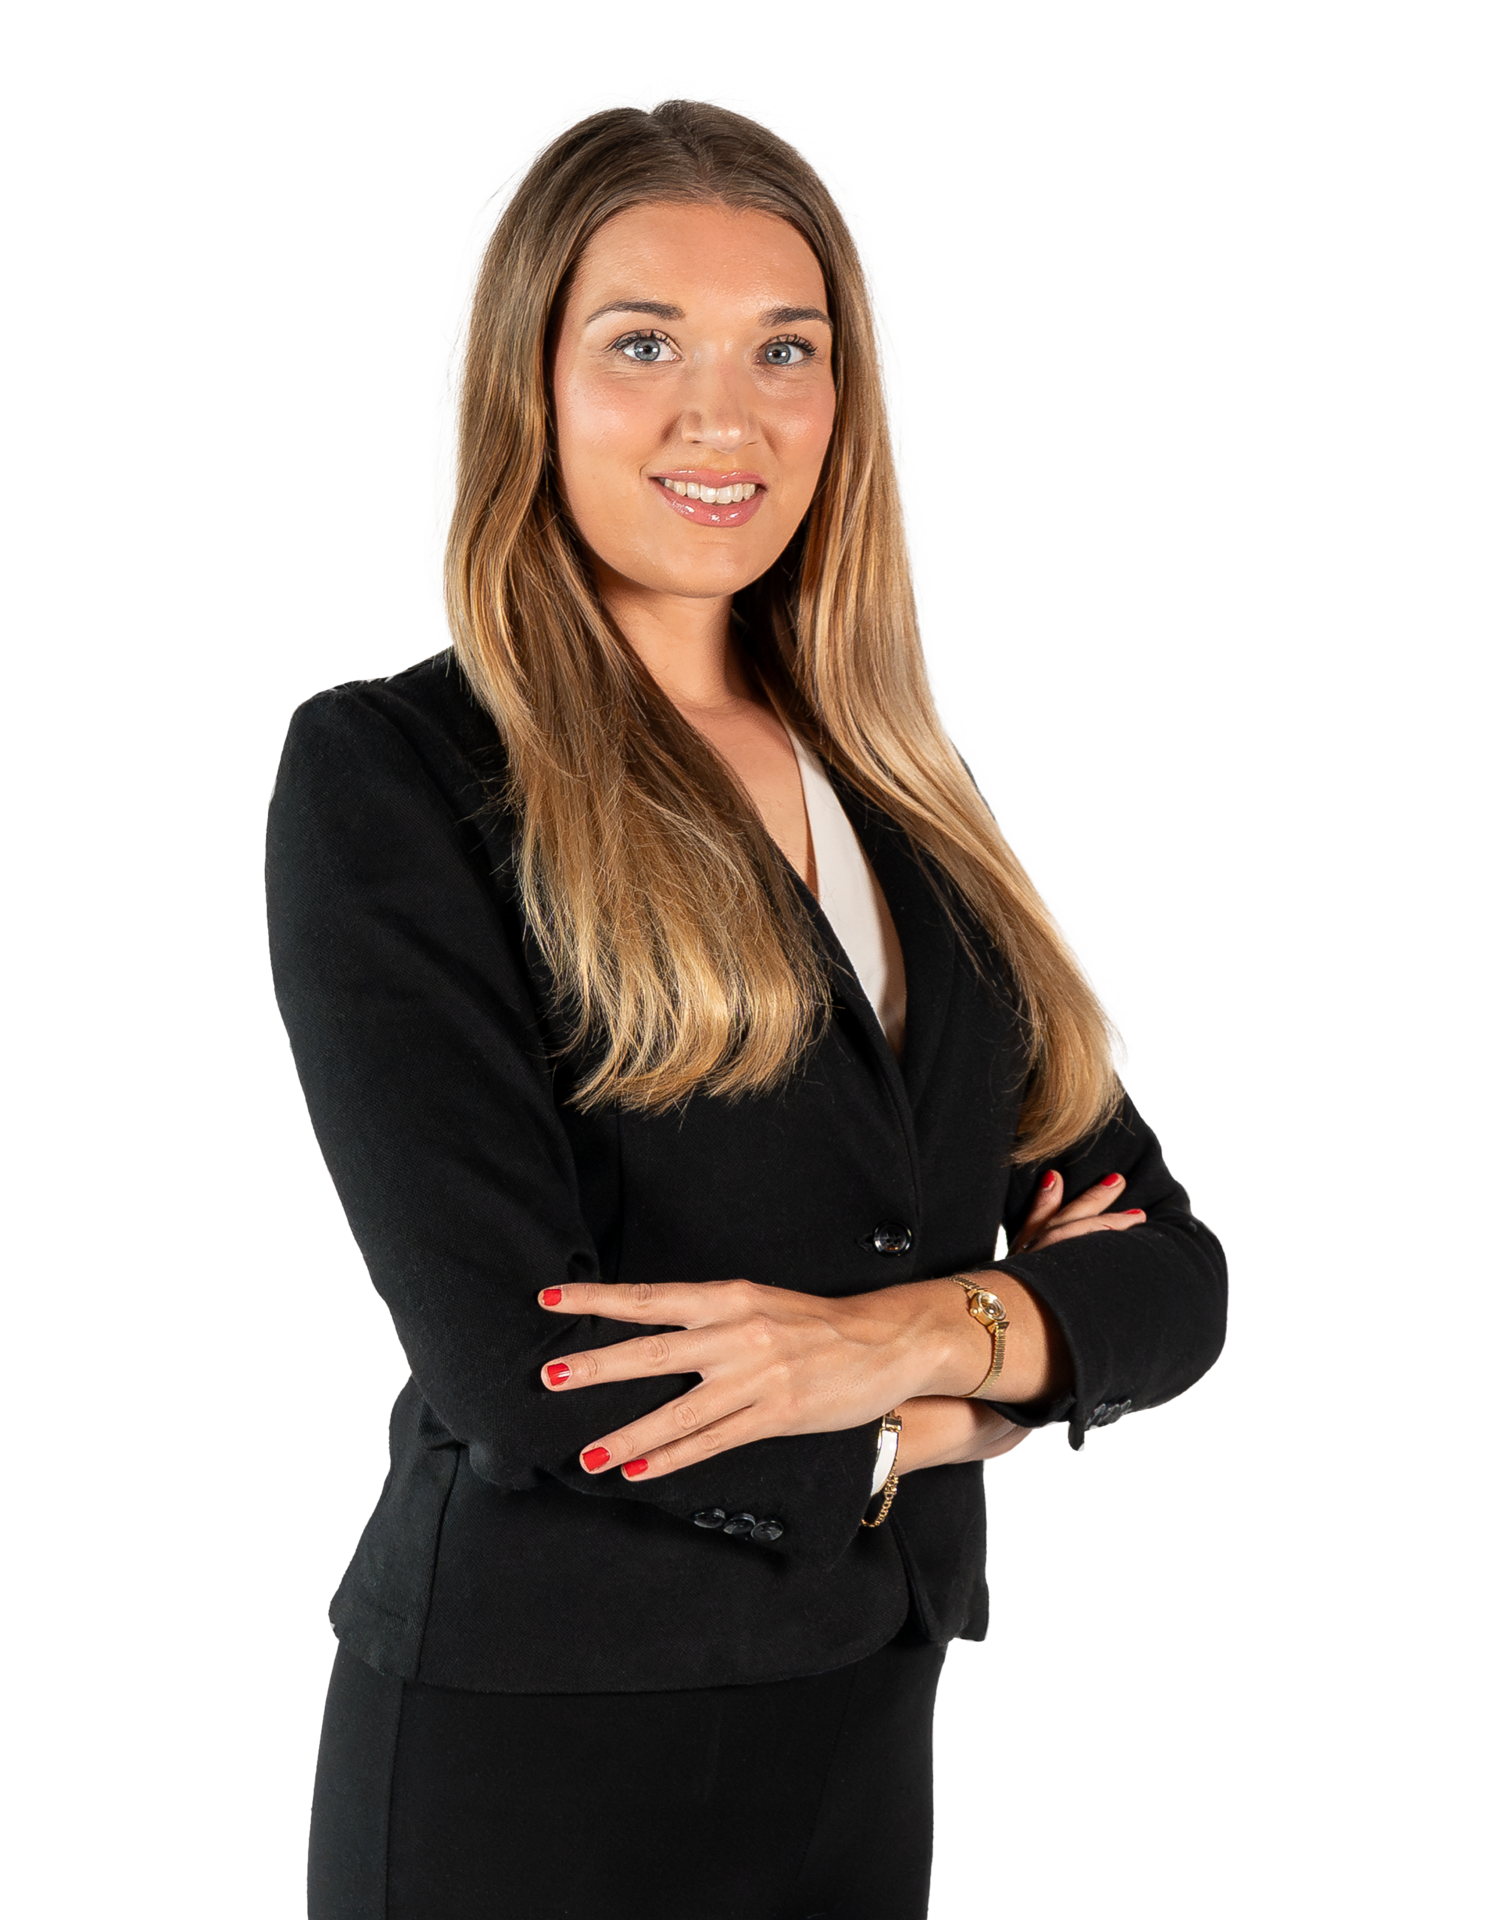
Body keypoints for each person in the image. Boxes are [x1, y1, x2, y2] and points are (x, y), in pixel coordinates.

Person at [268, 97, 1228, 1920]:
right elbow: (526, 1372)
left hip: (858, 1726)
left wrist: (897, 1341)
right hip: (533, 1750)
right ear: (530, 388)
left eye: (786, 350)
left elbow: (1168, 1274)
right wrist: (965, 1399)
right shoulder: (400, 774)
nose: (727, 417)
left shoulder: (907, 793)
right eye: (645, 346)